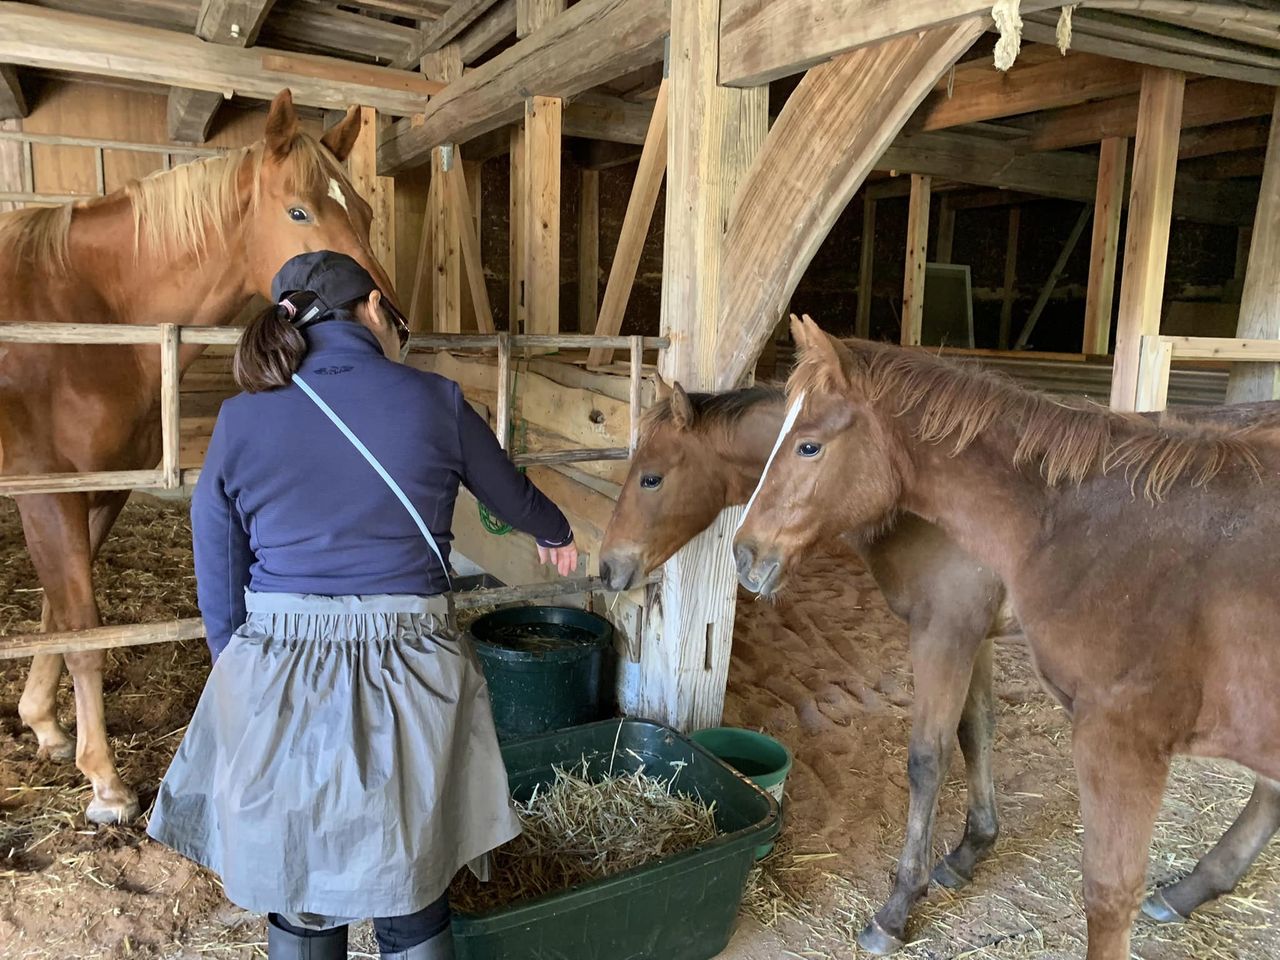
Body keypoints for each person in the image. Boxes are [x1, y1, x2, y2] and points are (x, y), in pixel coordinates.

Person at [148, 251, 578, 960]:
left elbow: (215, 556)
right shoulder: (435, 400)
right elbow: (512, 496)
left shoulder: (240, 420)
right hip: (409, 666)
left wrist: (238, 668)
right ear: (374, 308)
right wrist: (556, 531)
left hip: (280, 668)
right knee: (412, 885)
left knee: (302, 890)